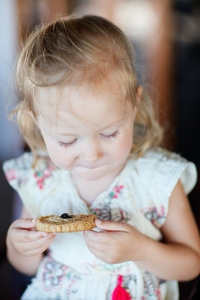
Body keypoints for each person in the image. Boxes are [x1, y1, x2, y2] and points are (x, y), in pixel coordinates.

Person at [3, 15, 200, 300]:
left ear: (133, 104)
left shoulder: (155, 178)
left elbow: (192, 262)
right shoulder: (40, 177)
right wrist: (19, 246)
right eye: (67, 140)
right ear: (38, 122)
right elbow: (27, 266)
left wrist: (140, 250)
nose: (92, 154)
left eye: (109, 133)